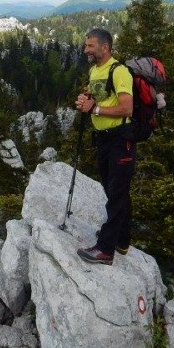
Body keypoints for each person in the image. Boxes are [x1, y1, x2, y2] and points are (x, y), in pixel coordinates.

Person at [73, 28, 134, 265]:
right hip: (104, 138)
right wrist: (86, 100)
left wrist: (94, 109)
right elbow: (96, 97)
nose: (85, 49)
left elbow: (127, 108)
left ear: (104, 47)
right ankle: (121, 240)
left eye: (90, 46)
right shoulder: (95, 70)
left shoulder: (119, 72)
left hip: (120, 138)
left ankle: (106, 250)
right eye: (86, 45)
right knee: (114, 190)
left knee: (117, 193)